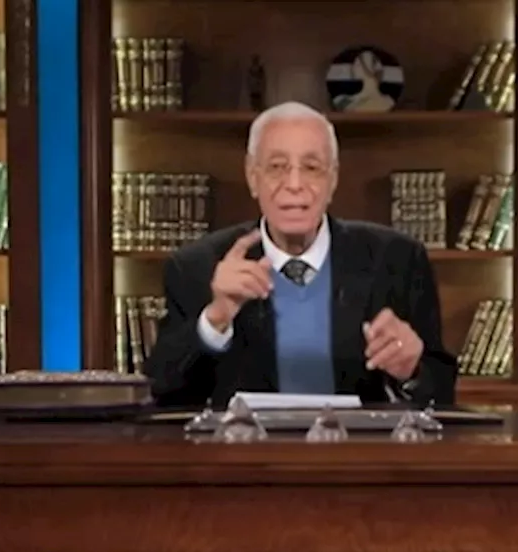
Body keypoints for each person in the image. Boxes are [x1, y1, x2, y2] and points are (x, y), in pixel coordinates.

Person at [144, 101, 458, 408]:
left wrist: (412, 371)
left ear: (332, 179)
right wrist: (216, 318)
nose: (294, 185)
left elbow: (442, 393)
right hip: (245, 444)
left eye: (311, 168)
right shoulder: (197, 267)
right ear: (253, 177)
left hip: (360, 443)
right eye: (277, 167)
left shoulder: (397, 260)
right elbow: (164, 394)